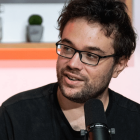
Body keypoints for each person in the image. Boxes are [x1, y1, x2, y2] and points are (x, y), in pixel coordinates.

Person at [0, 0, 139, 139]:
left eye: (91, 55)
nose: (73, 64)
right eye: (67, 48)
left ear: (119, 64)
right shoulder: (14, 115)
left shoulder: (135, 122)